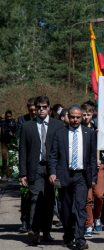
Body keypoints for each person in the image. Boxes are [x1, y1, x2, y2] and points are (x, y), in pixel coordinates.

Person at [48, 105, 97, 250]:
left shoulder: (89, 133)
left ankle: (80, 239)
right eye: (73, 117)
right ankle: (68, 235)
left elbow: (93, 158)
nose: (75, 120)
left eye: (78, 117)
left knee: (81, 207)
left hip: (82, 175)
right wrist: (52, 172)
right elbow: (53, 156)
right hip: (64, 175)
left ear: (81, 117)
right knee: (65, 209)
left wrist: (93, 177)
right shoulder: (60, 133)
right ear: (68, 117)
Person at [19, 96, 64, 245]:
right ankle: (34, 232)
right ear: (35, 109)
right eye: (39, 107)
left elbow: (63, 149)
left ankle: (47, 232)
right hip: (36, 168)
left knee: (50, 201)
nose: (41, 109)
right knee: (35, 198)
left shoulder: (58, 125)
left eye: (44, 107)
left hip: (53, 169)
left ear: (49, 108)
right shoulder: (27, 126)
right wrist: (23, 173)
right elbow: (23, 151)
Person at [81, 103, 104, 237]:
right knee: (88, 198)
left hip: (98, 165)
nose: (86, 117)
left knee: (99, 195)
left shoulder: (97, 128)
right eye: (83, 115)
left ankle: (97, 217)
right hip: (85, 167)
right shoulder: (77, 129)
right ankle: (88, 224)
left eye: (88, 115)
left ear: (92, 114)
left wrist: (101, 159)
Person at [17, 97, 37, 233]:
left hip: (38, 162)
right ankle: (24, 220)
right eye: (31, 111)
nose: (34, 113)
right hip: (26, 160)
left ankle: (34, 221)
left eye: (35, 110)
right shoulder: (22, 120)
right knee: (25, 194)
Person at [1, 110, 17, 182]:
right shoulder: (3, 122)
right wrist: (1, 117)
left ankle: (10, 175)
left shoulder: (14, 123)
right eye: (7, 117)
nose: (9, 118)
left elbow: (17, 132)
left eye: (10, 116)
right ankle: (5, 174)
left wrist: (13, 135)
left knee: (11, 160)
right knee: (4, 158)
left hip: (11, 143)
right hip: (4, 142)